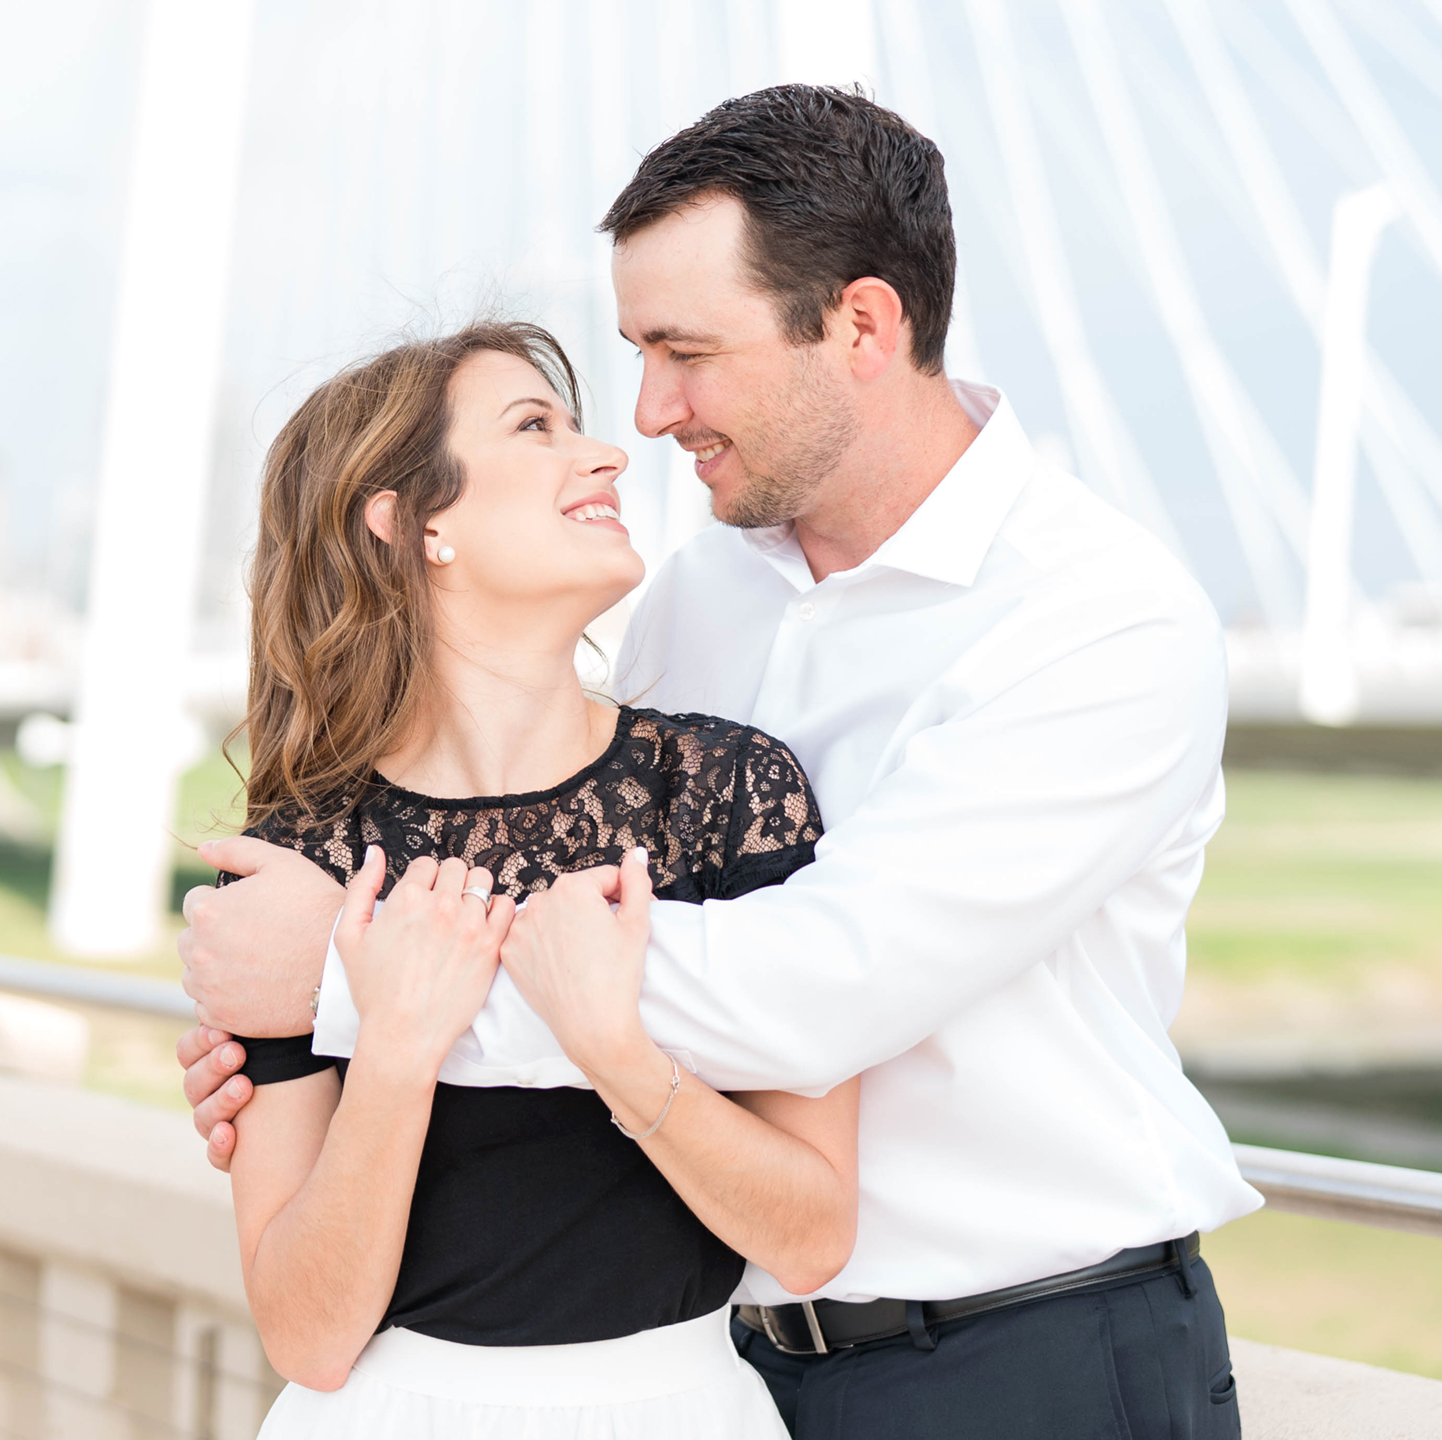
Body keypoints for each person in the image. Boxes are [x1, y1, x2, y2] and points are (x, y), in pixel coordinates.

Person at [180, 85, 1258, 1440]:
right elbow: (576, 860)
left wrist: (345, 981)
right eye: (636, 353)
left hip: (1024, 1352)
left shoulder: (1094, 619)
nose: (646, 412)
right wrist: (310, 1062)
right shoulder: (698, 595)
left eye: (686, 352)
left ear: (861, 326)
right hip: (733, 1363)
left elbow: (818, 983)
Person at [218, 318, 854, 1438]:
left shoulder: (726, 791)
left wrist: (611, 1046)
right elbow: (308, 1338)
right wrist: (396, 1046)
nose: (606, 454)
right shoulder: (302, 860)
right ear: (412, 524)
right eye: (533, 427)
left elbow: (809, 1238)